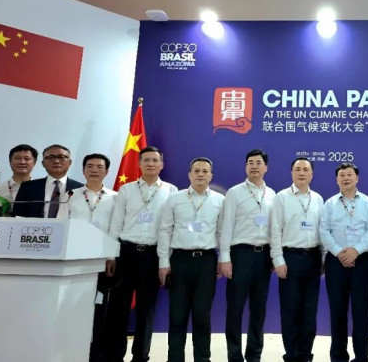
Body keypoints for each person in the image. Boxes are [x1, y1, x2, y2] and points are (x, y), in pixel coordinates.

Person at [105, 146, 178, 362]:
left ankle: (140, 356)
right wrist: (112, 254)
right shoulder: (126, 190)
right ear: (139, 164)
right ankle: (114, 355)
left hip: (152, 255)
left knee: (147, 309)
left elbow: (171, 227)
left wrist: (165, 259)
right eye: (146, 160)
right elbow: (116, 222)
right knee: (118, 307)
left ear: (161, 164)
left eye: (155, 160)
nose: (150, 164)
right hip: (126, 253)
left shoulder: (171, 191)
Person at [158, 157, 224, 362]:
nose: (201, 174)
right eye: (197, 171)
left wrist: (222, 259)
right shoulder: (175, 199)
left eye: (205, 171)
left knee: (202, 315)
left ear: (211, 176)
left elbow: (222, 233)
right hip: (179, 261)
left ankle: (202, 359)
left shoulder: (220, 201)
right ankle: (175, 358)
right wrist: (163, 263)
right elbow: (165, 231)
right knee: (177, 315)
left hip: (206, 262)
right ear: (189, 174)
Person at [57, 153, 117, 362]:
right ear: (83, 171)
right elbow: (61, 226)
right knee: (72, 308)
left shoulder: (116, 197)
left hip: (102, 260)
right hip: (75, 259)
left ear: (106, 172)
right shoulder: (70, 196)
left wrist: (112, 256)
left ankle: (96, 355)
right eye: (90, 166)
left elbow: (116, 228)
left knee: (99, 310)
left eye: (99, 167)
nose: (94, 170)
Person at [219, 149, 276, 362]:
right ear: (245, 167)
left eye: (258, 162)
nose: (254, 166)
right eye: (250, 162)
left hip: (264, 256)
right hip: (240, 255)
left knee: (258, 308)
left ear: (265, 167)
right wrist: (225, 258)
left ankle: (254, 355)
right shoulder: (234, 193)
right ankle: (234, 355)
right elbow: (226, 226)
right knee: (235, 308)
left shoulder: (272, 195)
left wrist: (274, 256)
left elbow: (275, 229)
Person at [320, 162, 368, 362]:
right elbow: (323, 231)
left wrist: (356, 251)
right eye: (342, 175)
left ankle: (361, 357)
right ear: (337, 180)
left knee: (361, 312)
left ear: (357, 178)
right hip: (335, 262)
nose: (346, 178)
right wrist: (340, 253)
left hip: (360, 262)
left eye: (349, 174)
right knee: (337, 311)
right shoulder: (329, 203)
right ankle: (338, 356)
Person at [270, 157, 325, 362]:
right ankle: (291, 355)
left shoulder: (318, 199)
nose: (302, 173)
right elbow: (275, 230)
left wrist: (323, 258)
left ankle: (305, 354)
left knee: (309, 311)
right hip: (290, 258)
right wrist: (278, 259)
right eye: (298, 169)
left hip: (313, 258)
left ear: (312, 174)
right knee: (291, 310)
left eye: (306, 169)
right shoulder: (282, 197)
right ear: (291, 173)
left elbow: (322, 230)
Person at [12, 144, 83, 218]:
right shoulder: (27, 187)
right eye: (51, 157)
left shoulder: (81, 189)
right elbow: (18, 216)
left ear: (70, 162)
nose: (56, 161)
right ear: (43, 163)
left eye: (61, 157)